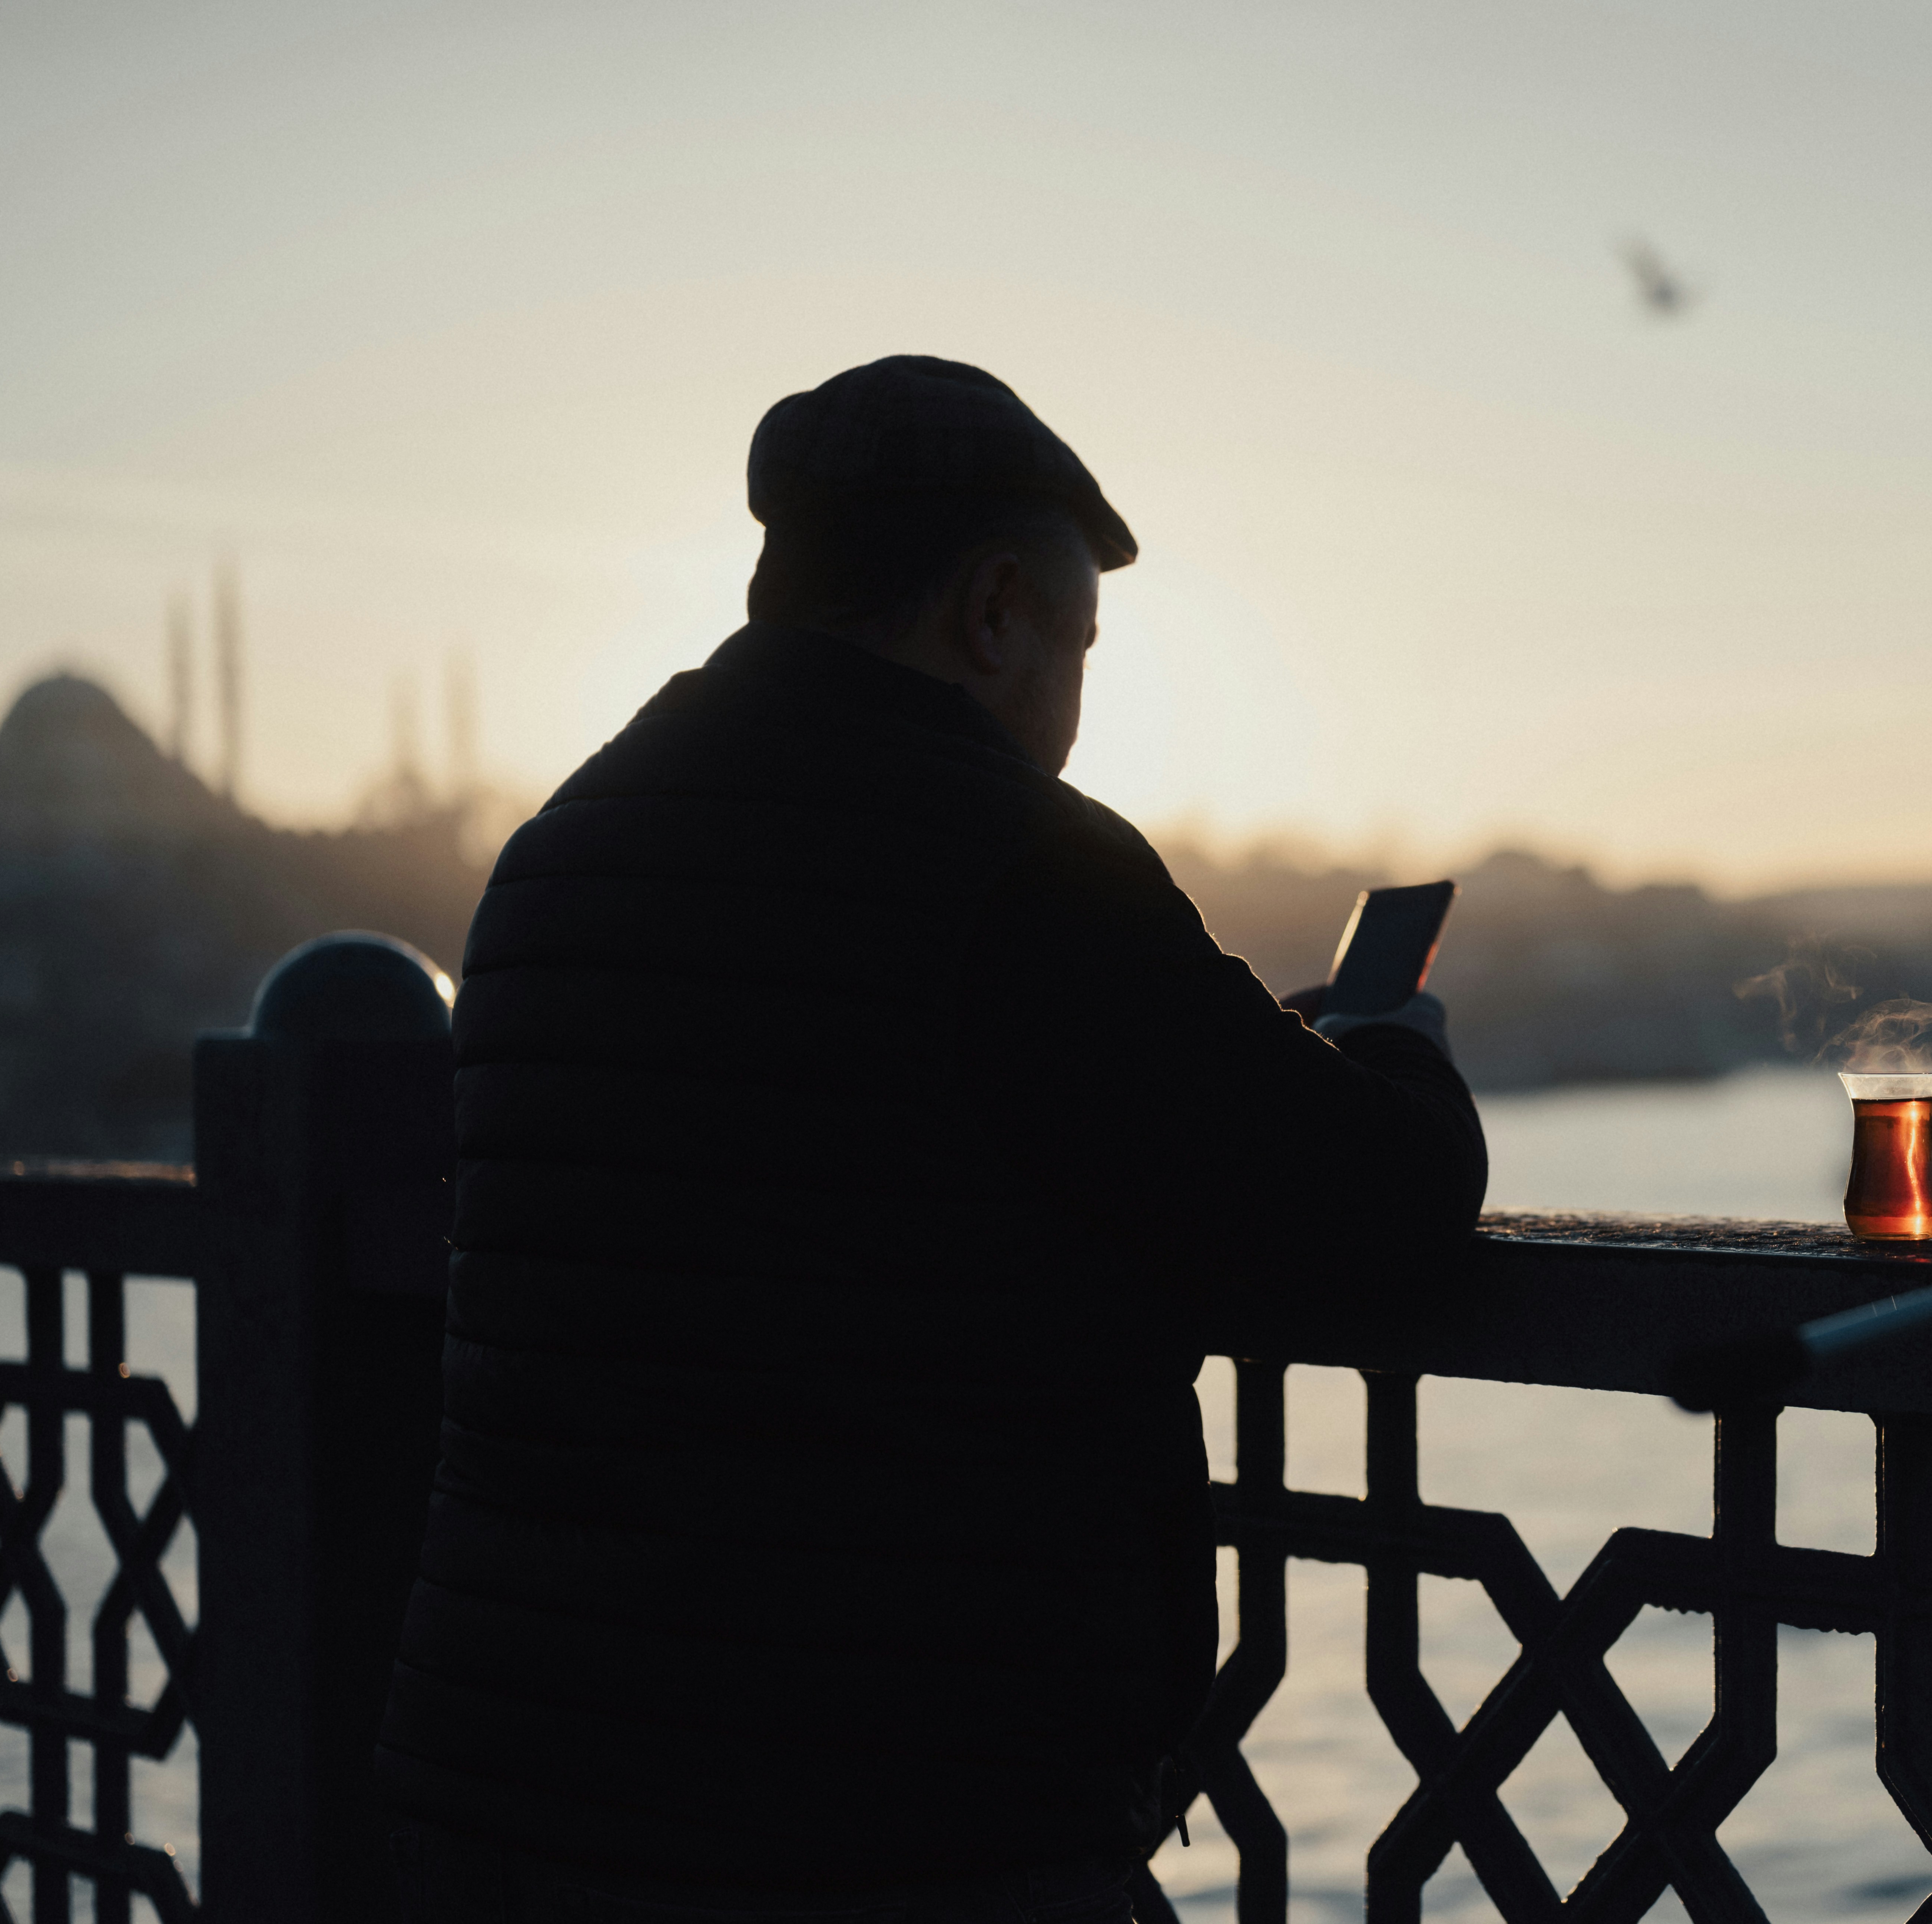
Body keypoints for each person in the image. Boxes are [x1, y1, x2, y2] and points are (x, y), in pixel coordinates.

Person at [377, 356, 1486, 1920]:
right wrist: (1396, 1050)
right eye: (1077, 645)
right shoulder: (1010, 860)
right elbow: (1382, 1198)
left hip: (518, 1783)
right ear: (994, 611)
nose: (1074, 707)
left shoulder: (557, 852)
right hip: (883, 1805)